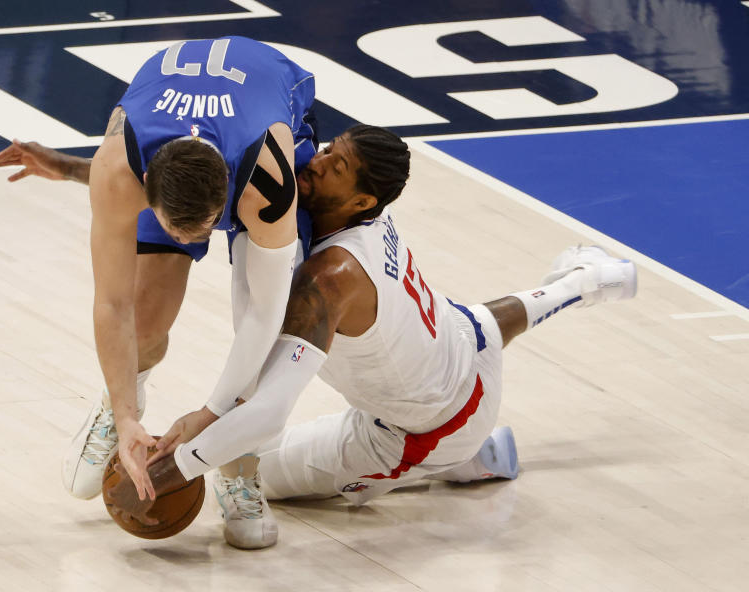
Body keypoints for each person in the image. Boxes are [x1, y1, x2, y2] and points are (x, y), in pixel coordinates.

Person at [106, 124, 638, 549]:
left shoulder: (328, 280)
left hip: (424, 430)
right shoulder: (355, 217)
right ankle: (591, 280)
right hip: (466, 341)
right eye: (328, 150)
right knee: (464, 328)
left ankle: (465, 458)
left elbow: (268, 408)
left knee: (253, 468)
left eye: (335, 167)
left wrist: (174, 468)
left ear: (361, 200)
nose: (315, 163)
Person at [0, 37, 317, 502]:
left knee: (261, 327)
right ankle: (117, 406)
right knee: (143, 323)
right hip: (184, 142)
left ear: (226, 201)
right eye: (174, 231)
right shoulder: (118, 167)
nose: (188, 242)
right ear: (146, 190)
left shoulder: (266, 180)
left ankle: (240, 468)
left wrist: (212, 412)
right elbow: (111, 304)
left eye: (200, 231)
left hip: (267, 114)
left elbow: (265, 314)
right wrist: (125, 418)